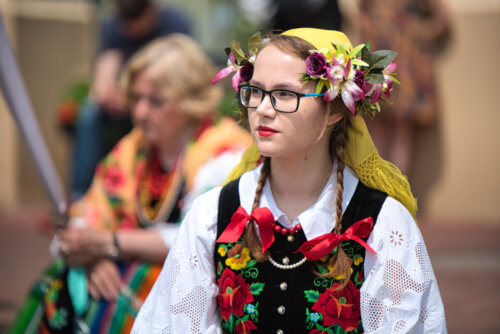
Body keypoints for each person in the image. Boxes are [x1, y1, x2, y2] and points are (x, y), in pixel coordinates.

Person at [131, 28, 446, 333]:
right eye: (255, 91)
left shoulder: (383, 224)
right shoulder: (211, 216)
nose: (263, 110)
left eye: (284, 94)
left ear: (335, 108)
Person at [10, 34, 252, 334]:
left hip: (194, 286)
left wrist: (108, 244)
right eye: (136, 98)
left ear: (190, 101)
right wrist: (92, 258)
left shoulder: (223, 153)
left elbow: (197, 238)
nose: (139, 112)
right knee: (63, 281)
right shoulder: (134, 149)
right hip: (128, 266)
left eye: (155, 101)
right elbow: (87, 217)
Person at [71, 0, 191, 200]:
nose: (127, 31)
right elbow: (104, 75)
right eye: (124, 24)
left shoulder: (175, 25)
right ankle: (81, 195)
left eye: (134, 24)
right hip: (127, 101)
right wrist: (109, 93)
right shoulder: (113, 25)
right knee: (89, 113)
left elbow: (181, 79)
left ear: (152, 11)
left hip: (157, 100)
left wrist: (138, 101)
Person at [350, 0, 451, 174]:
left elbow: (442, 19)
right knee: (376, 121)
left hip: (405, 62)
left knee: (400, 127)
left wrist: (418, 35)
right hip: (377, 53)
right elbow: (362, 11)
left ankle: (395, 193)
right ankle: (377, 188)